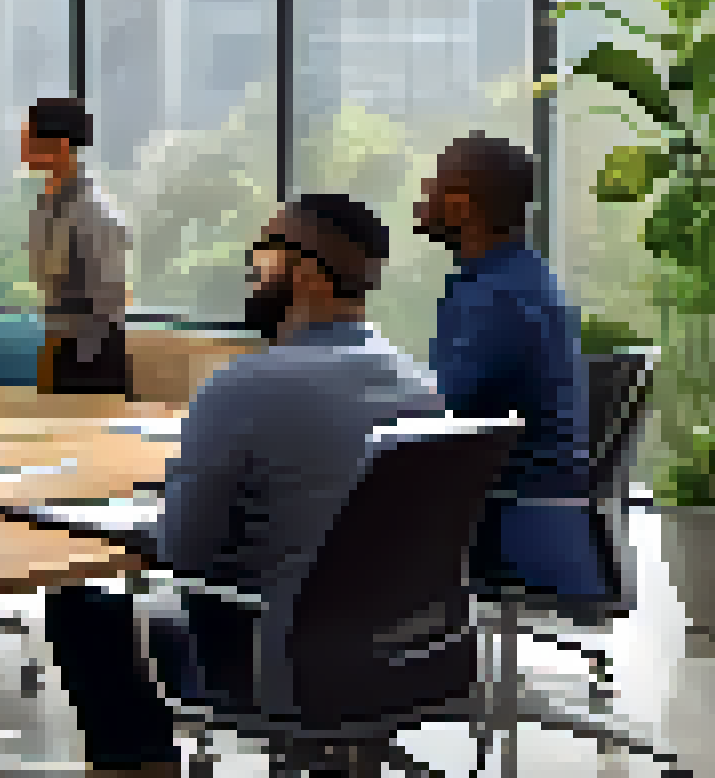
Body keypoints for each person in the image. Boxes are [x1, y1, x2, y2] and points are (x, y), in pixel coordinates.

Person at [40, 195, 444, 776]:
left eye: (262, 255)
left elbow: (184, 551)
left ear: (305, 271)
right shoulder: (421, 385)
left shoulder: (243, 385)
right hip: (412, 655)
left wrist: (124, 518)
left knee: (84, 607)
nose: (252, 271)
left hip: (275, 659)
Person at [417, 133, 602, 602]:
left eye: (432, 187)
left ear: (461, 208)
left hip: (508, 520)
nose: (421, 199)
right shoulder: (516, 278)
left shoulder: (498, 298)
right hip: (531, 508)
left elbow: (441, 415)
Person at [22, 97, 134, 395]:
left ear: (60, 145)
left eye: (30, 139)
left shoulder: (94, 209)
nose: (23, 150)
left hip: (91, 354)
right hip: (60, 345)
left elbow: (108, 299)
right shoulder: (47, 201)